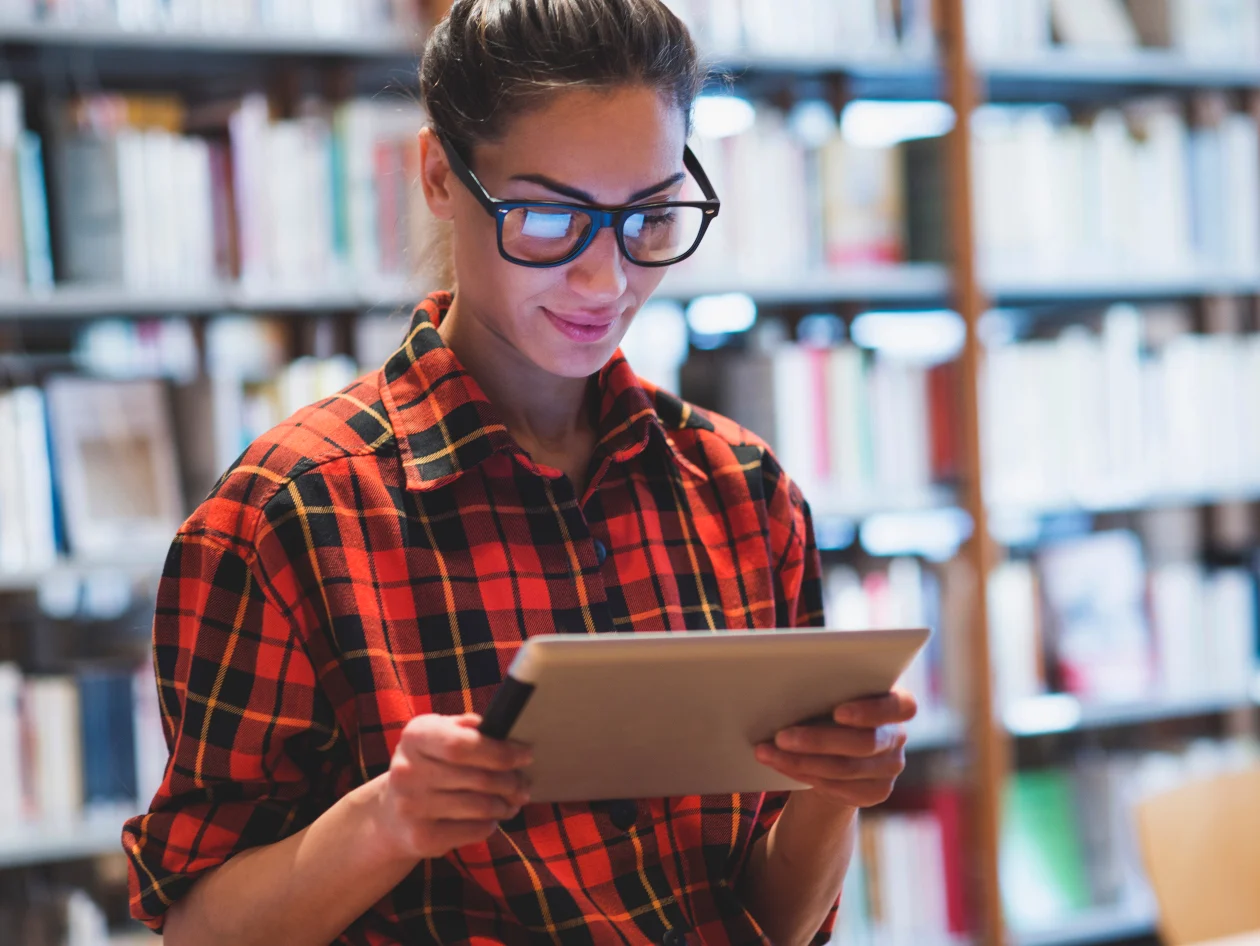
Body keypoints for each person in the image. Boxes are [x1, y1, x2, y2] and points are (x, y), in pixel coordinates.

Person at [123, 1, 917, 943]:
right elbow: (198, 930)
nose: (605, 280)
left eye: (650, 218)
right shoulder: (288, 516)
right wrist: (383, 824)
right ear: (438, 178)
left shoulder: (741, 492)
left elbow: (767, 922)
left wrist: (833, 796)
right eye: (548, 216)